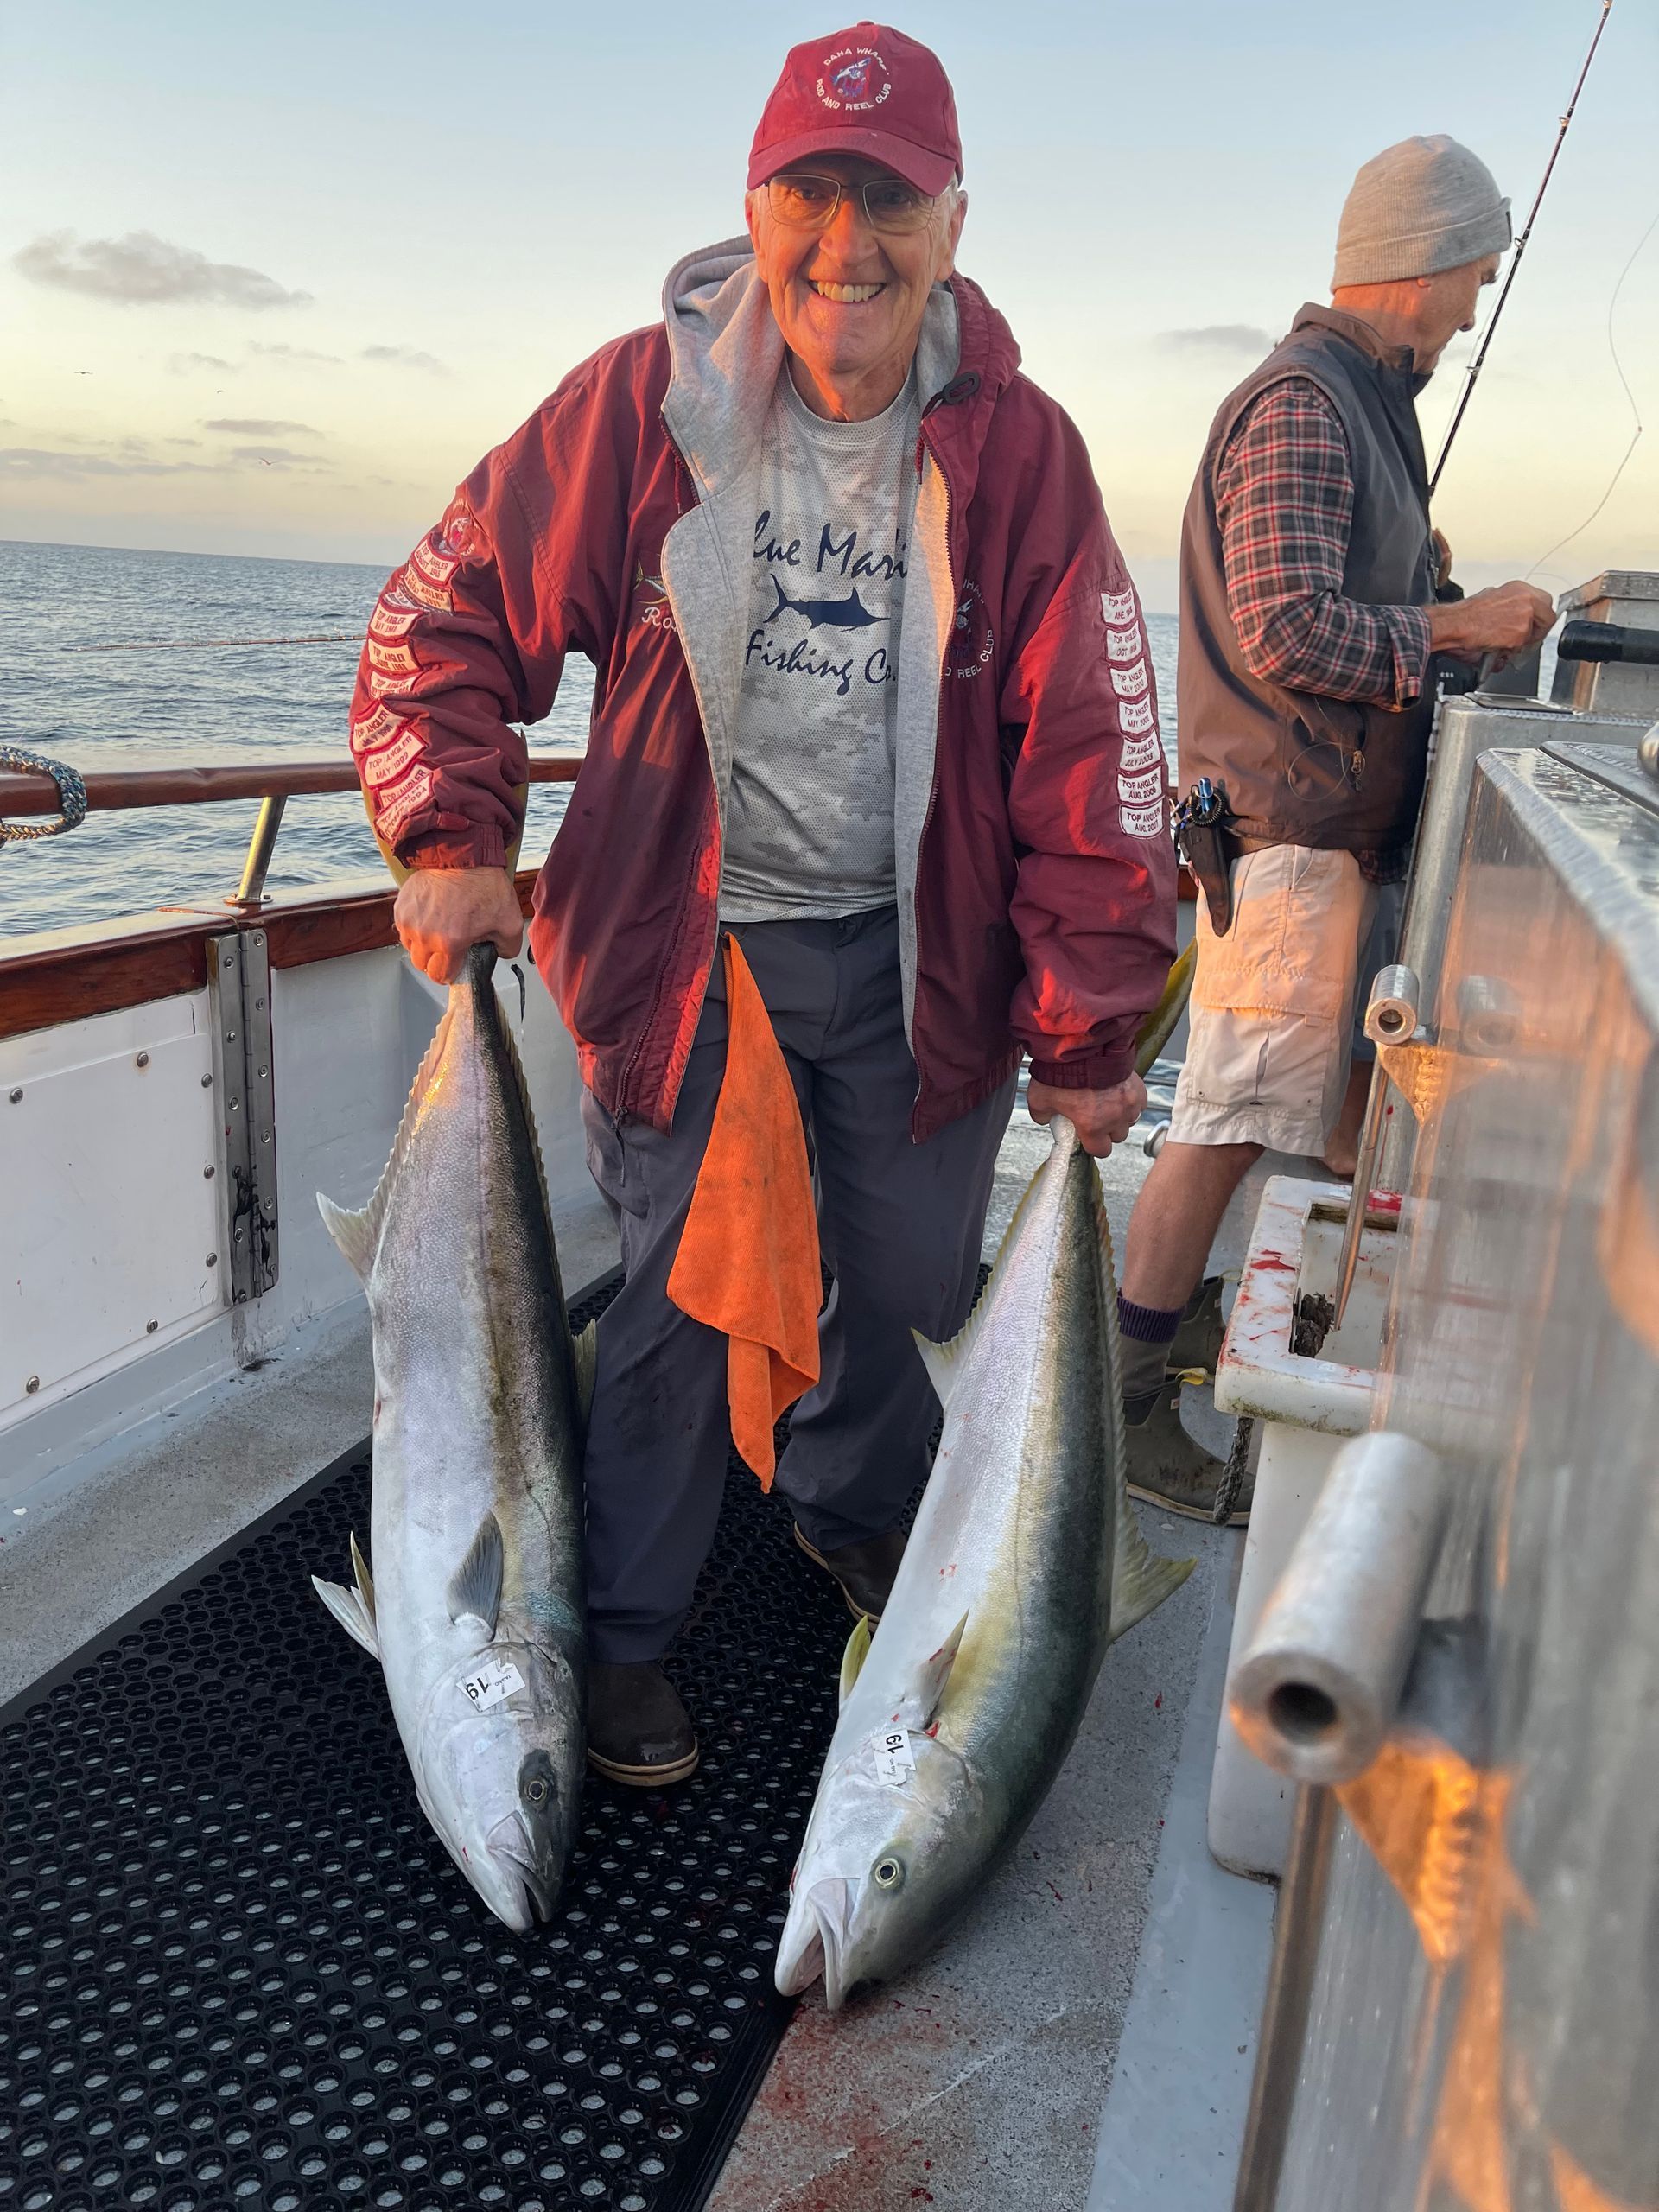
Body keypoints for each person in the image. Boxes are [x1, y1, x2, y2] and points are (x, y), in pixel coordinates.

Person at [346, 22, 1175, 1783]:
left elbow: (1089, 744)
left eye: (889, 199)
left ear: (954, 220)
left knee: (903, 1277)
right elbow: (444, 616)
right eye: (813, 192)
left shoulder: (1023, 456)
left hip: (915, 952)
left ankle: (848, 1510)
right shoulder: (638, 409)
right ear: (755, 203)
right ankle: (619, 1636)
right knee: (678, 1299)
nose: (846, 243)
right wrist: (446, 829)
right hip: (683, 945)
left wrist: (1095, 1018)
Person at [1116, 134, 1556, 1522]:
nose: (1477, 300)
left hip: (1320, 842)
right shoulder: (1307, 405)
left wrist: (1450, 621)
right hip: (1288, 840)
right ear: (1419, 266)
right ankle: (1122, 1417)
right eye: (1474, 272)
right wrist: (1453, 625)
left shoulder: (1370, 406)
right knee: (1228, 1126)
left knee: (1256, 1119)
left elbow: (1351, 613)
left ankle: (1180, 1344)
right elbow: (1286, 626)